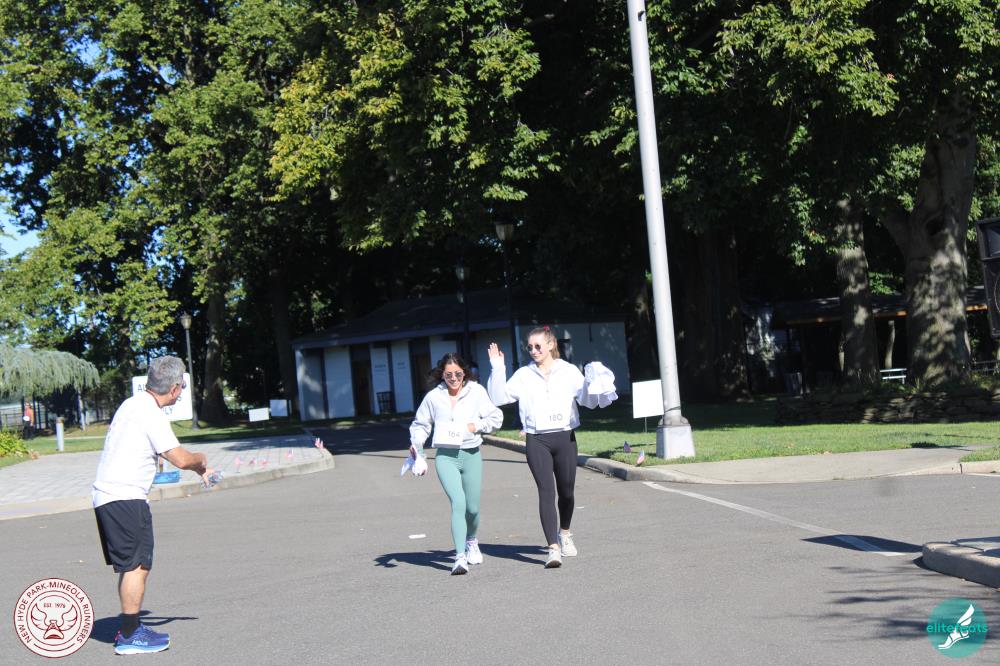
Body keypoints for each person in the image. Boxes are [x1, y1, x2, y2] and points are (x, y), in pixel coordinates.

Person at [92, 356, 213, 655]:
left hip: (110, 496)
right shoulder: (151, 413)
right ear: (173, 388)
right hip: (125, 498)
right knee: (137, 566)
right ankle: (130, 636)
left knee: (132, 566)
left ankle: (131, 627)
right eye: (181, 387)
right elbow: (180, 458)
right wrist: (202, 461)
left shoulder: (131, 404)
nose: (181, 392)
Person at [487, 326, 614, 568]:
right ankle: (552, 548)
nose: (533, 351)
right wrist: (497, 368)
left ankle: (564, 533)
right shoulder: (524, 375)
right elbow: (498, 398)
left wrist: (594, 382)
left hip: (565, 437)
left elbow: (587, 401)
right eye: (530, 347)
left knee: (566, 492)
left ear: (551, 345)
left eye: (538, 346)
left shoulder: (568, 371)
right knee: (546, 491)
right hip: (537, 439)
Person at [408, 353, 503, 575]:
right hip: (446, 457)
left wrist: (475, 426)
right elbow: (421, 424)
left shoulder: (476, 391)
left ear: (464, 373)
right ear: (442, 374)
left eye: (458, 374)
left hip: (471, 454)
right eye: (448, 374)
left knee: (472, 508)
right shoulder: (434, 397)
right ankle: (459, 557)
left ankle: (472, 541)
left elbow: (496, 418)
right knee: (458, 502)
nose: (453, 378)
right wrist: (417, 445)